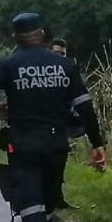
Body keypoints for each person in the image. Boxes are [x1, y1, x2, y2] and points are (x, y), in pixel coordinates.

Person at [0, 12, 107, 222]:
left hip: (22, 144)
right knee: (45, 204)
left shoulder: (9, 64)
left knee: (30, 205)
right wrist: (97, 143)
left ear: (15, 38)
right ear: (44, 33)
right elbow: (84, 106)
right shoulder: (64, 65)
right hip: (56, 144)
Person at [48, 38, 78, 210]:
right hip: (43, 125)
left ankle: (57, 197)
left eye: (62, 54)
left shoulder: (69, 71)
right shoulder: (44, 72)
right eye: (56, 53)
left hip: (61, 123)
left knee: (60, 160)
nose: (59, 57)